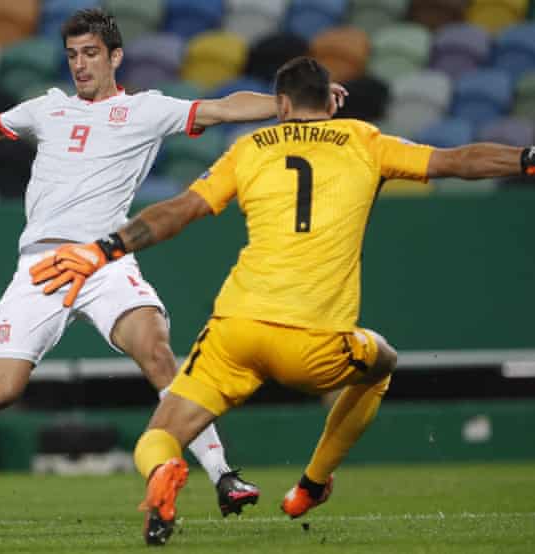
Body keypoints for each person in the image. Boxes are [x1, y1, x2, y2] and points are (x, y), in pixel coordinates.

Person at [29, 56, 535, 546]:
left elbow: (179, 211)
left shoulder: (249, 147)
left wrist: (105, 248)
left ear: (282, 105)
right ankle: (310, 486)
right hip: (314, 341)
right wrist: (524, 159)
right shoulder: (364, 140)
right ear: (329, 102)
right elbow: (457, 161)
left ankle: (164, 470)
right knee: (381, 363)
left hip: (236, 331)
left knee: (158, 436)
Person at [0, 9, 345, 515]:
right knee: (2, 389)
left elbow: (223, 108)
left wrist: (294, 104)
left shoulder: (146, 110)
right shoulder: (48, 108)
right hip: (40, 262)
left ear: (115, 56)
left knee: (157, 352)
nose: (80, 64)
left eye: (91, 53)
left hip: (104, 261)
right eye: (73, 54)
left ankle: (222, 475)